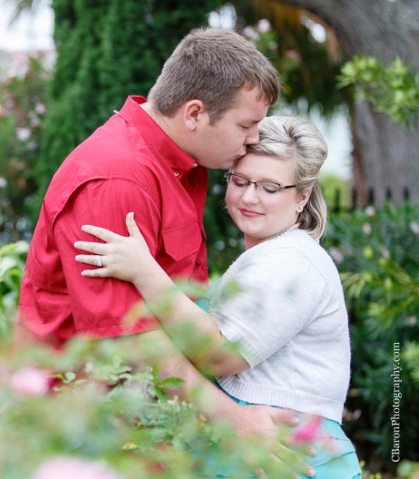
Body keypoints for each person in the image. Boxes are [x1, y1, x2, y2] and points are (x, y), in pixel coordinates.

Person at [17, 27, 315, 476]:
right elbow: (130, 340)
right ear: (195, 113)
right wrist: (233, 418)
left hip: (147, 423)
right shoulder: (117, 179)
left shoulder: (179, 164)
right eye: (246, 124)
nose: (254, 139)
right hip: (92, 436)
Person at [74, 116, 362, 478]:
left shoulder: (293, 260)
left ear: (302, 196)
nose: (249, 197)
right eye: (240, 181)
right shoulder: (270, 256)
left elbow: (220, 354)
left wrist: (143, 270)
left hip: (288, 454)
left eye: (271, 187)